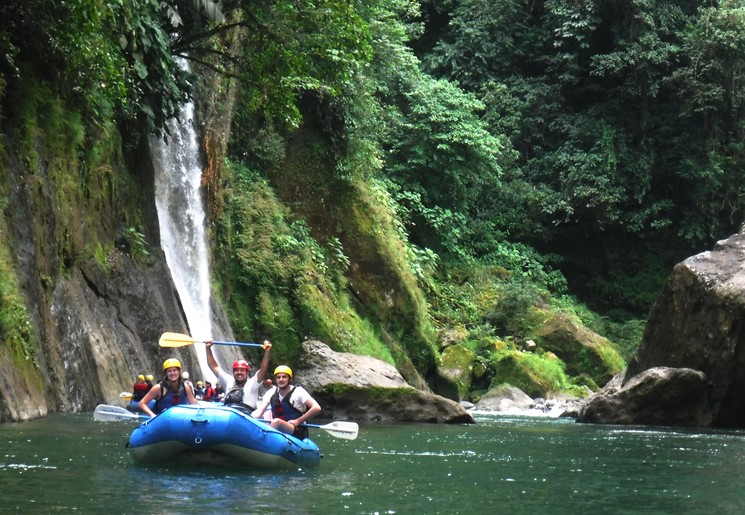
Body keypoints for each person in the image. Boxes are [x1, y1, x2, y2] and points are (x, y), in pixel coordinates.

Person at [252, 365, 321, 439]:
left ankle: (263, 439)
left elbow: (316, 408)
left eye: (284, 377)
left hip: (297, 429)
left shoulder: (298, 391)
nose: (281, 379)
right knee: (273, 422)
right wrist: (251, 416)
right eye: (278, 377)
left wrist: (298, 421)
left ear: (290, 379)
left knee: (276, 422)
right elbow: (259, 411)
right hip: (277, 429)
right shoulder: (271, 392)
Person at [205, 339, 272, 411]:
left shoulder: (252, 383)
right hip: (230, 413)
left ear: (247, 372)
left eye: (242, 370)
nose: (239, 372)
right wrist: (208, 348)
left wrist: (267, 352)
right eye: (236, 370)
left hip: (247, 415)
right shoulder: (229, 381)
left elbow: (263, 369)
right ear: (233, 372)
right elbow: (214, 367)